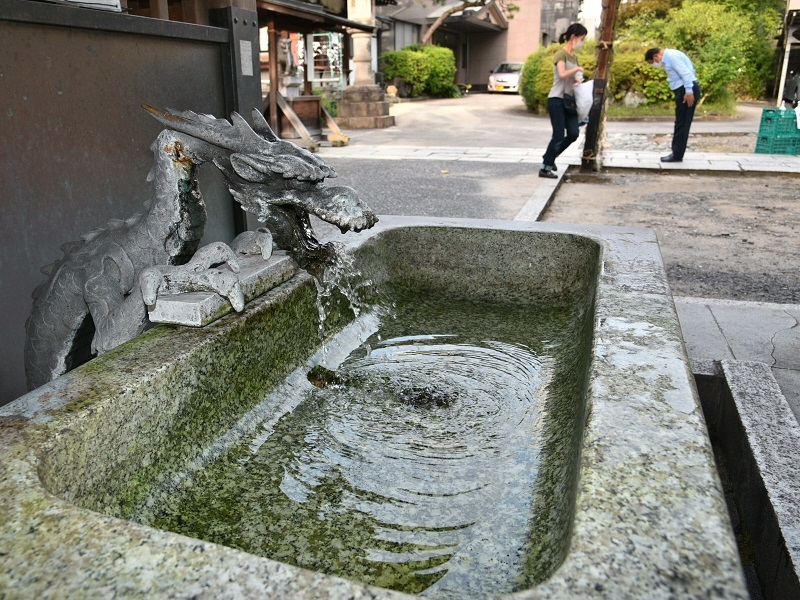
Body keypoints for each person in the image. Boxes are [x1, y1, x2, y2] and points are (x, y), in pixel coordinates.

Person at [540, 23, 588, 179]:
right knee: (559, 134)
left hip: (569, 100)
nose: (582, 42)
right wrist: (577, 69)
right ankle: (545, 168)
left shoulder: (574, 57)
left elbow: (570, 77)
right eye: (582, 38)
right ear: (573, 37)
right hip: (557, 99)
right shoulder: (560, 54)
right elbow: (561, 74)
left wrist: (577, 80)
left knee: (574, 133)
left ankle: (549, 156)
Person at [645, 47, 701, 163]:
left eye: (653, 62)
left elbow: (685, 73)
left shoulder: (671, 56)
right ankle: (677, 153)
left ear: (656, 56)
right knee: (681, 122)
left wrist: (689, 91)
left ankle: (677, 155)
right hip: (684, 89)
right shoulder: (670, 56)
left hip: (686, 90)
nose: (655, 65)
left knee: (682, 123)